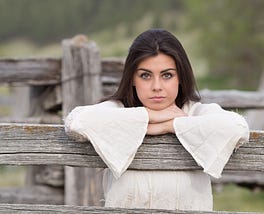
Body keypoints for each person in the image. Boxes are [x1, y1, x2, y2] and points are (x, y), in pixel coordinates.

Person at [64, 28, 249, 211]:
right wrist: (150, 116)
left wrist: (168, 125)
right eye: (145, 75)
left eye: (167, 75)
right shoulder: (118, 110)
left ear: (180, 78)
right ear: (133, 79)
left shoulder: (195, 113)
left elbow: (238, 128)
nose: (157, 86)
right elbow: (76, 122)